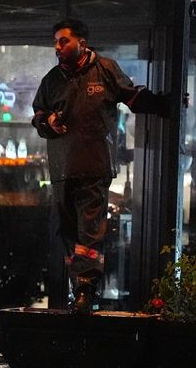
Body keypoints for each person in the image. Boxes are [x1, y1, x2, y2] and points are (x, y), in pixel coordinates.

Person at [31, 18, 180, 313]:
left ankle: (87, 289)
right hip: (61, 168)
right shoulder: (52, 79)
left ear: (82, 43)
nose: (58, 48)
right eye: (56, 42)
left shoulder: (106, 70)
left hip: (95, 164)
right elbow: (38, 115)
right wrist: (48, 121)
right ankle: (79, 289)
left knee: (90, 229)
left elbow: (133, 97)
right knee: (68, 231)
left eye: (64, 41)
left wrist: (168, 104)